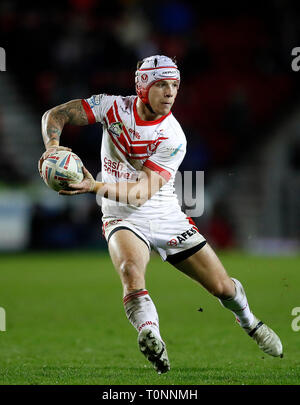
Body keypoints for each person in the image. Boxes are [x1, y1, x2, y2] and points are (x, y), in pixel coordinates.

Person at [38, 55, 283, 374]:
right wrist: (53, 147)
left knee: (222, 288)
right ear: (142, 87)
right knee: (129, 269)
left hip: (165, 216)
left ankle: (249, 321)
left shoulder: (173, 137)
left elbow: (141, 193)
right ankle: (149, 333)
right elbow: (56, 114)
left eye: (175, 85)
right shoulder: (112, 107)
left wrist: (92, 185)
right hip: (121, 216)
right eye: (162, 85)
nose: (170, 92)